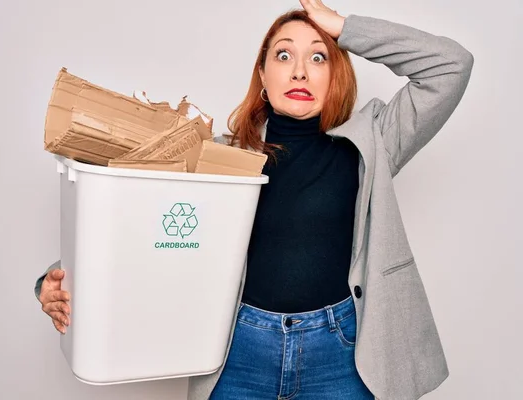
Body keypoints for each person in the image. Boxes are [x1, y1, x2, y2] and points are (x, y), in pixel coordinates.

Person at [34, 1, 474, 399]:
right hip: (238, 349)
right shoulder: (221, 157)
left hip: (340, 353)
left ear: (336, 72)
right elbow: (144, 230)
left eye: (318, 57)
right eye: (284, 55)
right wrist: (52, 282)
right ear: (263, 74)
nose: (299, 71)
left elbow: (451, 66)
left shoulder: (373, 141)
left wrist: (343, 27)